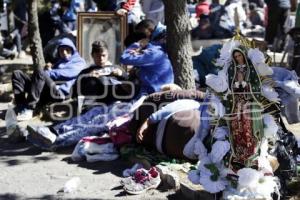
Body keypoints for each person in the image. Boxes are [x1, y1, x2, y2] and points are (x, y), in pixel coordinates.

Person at [11, 37, 86, 121]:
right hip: (48, 89)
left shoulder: (79, 62)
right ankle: (21, 107)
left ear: (72, 50)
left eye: (67, 50)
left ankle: (30, 109)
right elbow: (50, 75)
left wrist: (45, 73)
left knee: (40, 71)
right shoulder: (59, 62)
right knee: (17, 74)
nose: (64, 53)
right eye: (61, 50)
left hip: (60, 93)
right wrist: (47, 70)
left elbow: (64, 74)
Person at [73, 40, 131, 104]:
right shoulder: (86, 71)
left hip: (115, 102)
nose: (101, 58)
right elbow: (76, 89)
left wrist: (121, 74)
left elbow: (129, 84)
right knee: (92, 82)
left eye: (103, 55)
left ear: (108, 54)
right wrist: (88, 77)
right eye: (98, 56)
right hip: (95, 103)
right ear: (92, 55)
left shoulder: (116, 68)